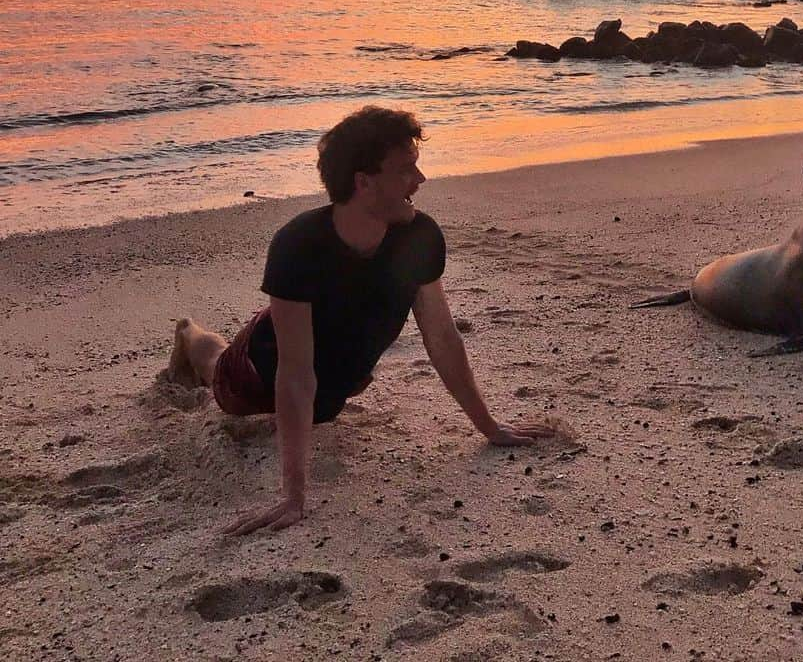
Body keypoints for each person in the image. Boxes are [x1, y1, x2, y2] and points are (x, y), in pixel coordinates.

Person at [167, 105, 552, 534]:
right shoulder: (298, 244)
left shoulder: (419, 236)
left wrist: (490, 427)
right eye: (406, 170)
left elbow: (442, 337)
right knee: (217, 365)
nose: (420, 181)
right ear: (364, 182)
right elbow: (294, 374)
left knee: (323, 408)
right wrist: (294, 497)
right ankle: (188, 332)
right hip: (258, 372)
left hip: (331, 380)